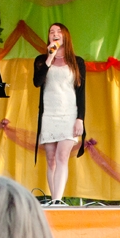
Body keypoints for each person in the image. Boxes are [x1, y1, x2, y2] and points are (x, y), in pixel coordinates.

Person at [33, 23, 86, 202]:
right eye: (51, 32)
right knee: (51, 159)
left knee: (62, 156)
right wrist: (50, 57)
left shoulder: (77, 62)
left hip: (69, 114)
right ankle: (54, 199)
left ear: (65, 36)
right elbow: (37, 82)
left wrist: (80, 118)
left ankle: (56, 201)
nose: (55, 34)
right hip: (49, 114)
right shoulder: (41, 60)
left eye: (58, 32)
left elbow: (81, 93)